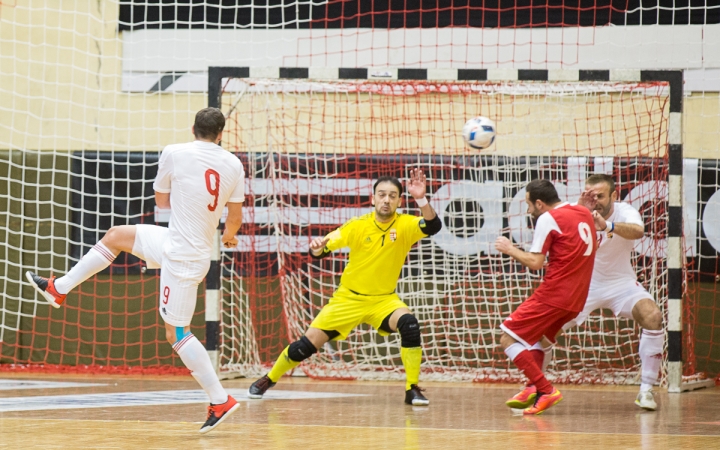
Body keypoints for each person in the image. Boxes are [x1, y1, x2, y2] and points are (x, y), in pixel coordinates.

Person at [26, 107, 245, 434]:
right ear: (221, 134)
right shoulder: (234, 163)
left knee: (177, 333)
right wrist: (227, 236)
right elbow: (235, 218)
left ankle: (219, 399)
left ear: (193, 128)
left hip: (183, 256)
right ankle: (59, 288)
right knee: (116, 236)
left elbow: (161, 199)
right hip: (179, 243)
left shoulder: (174, 151)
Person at [247, 169, 442, 405]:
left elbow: (433, 226)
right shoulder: (357, 226)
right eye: (381, 195)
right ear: (373, 198)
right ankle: (269, 378)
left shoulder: (405, 225)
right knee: (304, 347)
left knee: (409, 325)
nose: (386, 200)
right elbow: (323, 248)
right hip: (347, 300)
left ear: (399, 201)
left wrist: (421, 198)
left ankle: (412, 389)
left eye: (392, 196)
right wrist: (318, 247)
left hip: (383, 301)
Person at [507, 174, 664, 411]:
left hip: (620, 281)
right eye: (590, 194)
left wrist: (607, 226)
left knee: (652, 316)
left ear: (613, 195)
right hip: (584, 285)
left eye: (600, 195)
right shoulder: (578, 213)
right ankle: (536, 387)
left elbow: (638, 231)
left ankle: (646, 390)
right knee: (544, 332)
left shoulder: (624, 211)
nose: (595, 200)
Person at [495, 179, 598, 415]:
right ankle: (533, 387)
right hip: (577, 298)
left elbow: (535, 262)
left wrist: (510, 248)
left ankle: (545, 389)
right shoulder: (583, 212)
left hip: (554, 294)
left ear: (540, 204)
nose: (528, 210)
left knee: (508, 339)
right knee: (540, 339)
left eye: (529, 205)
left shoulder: (547, 219)